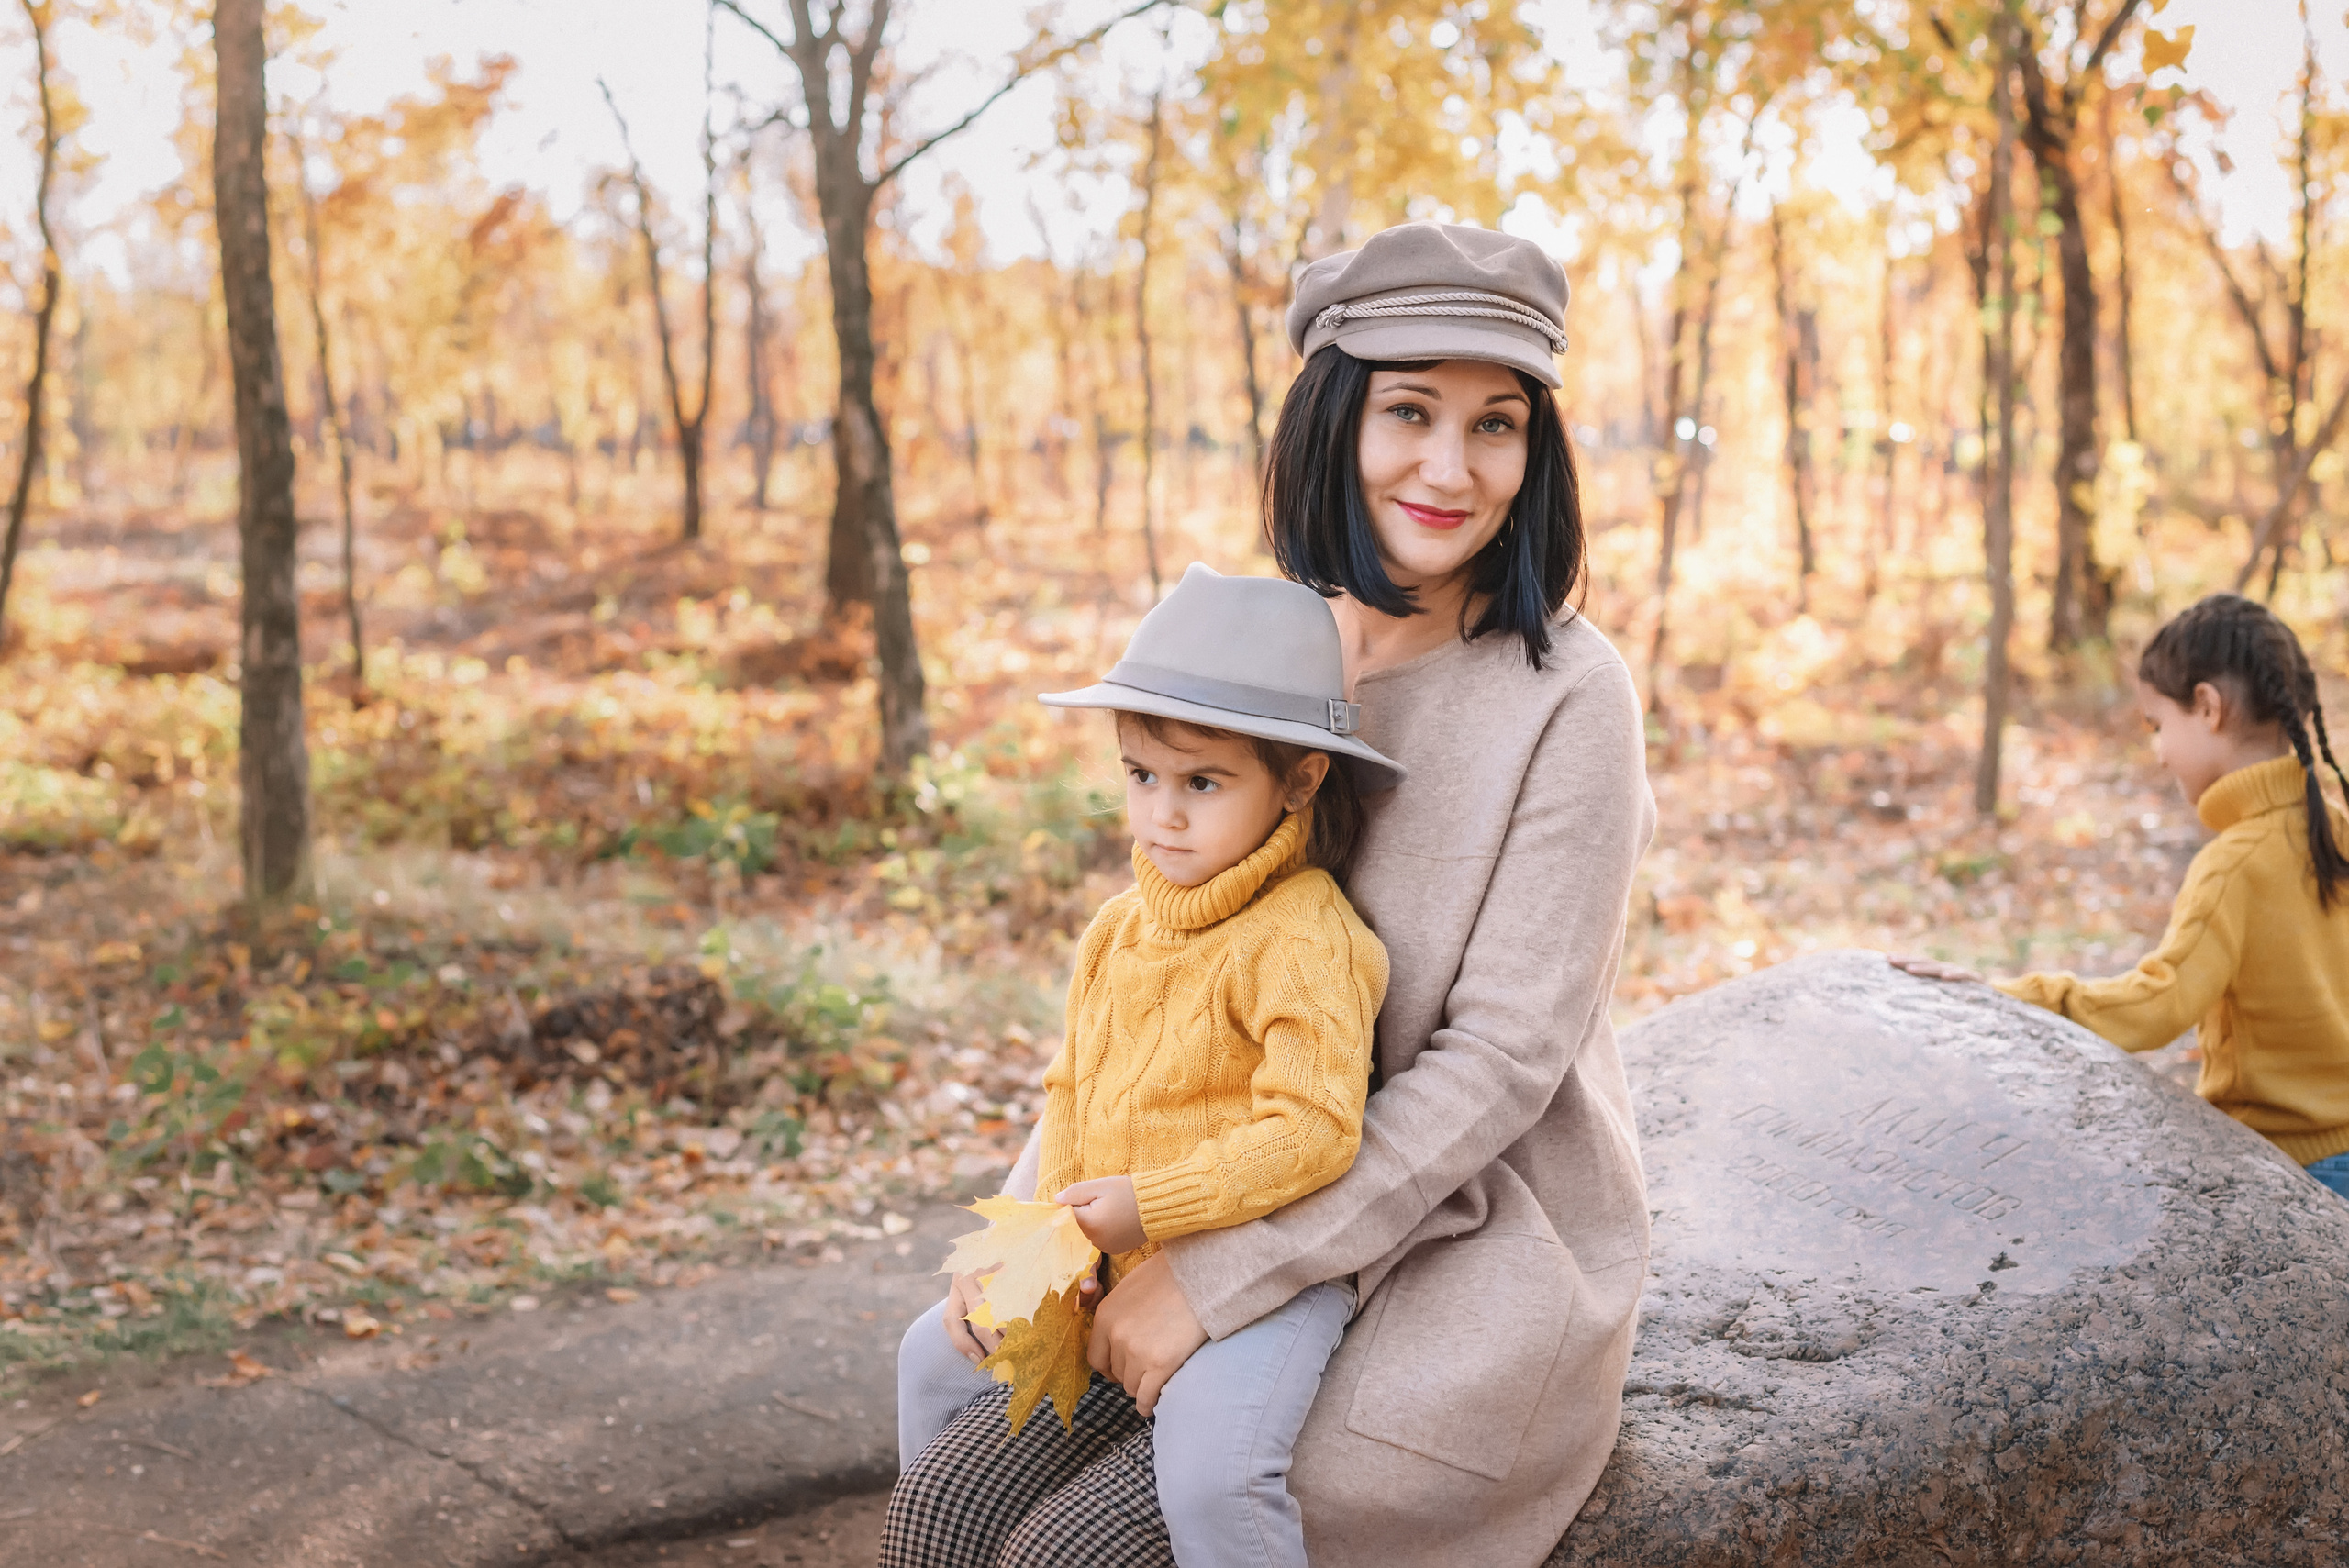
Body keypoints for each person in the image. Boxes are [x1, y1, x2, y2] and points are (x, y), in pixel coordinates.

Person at [885, 220, 1656, 1568]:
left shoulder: (1568, 697)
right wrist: (1033, 1227)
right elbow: (1148, 981)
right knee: (944, 1505)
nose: (1449, 467)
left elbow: (1499, 1062)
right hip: (1199, 1192)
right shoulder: (1270, 647)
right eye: (1409, 412)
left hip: (1450, 1236)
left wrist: (1224, 1275)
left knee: (1075, 1555)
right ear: (1334, 419)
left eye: (1496, 426)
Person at [893, 562, 1402, 1568]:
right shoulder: (1116, 930)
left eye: (1203, 783)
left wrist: (1149, 1206)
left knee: (1215, 1468)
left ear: (1298, 779)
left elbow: (1312, 1128)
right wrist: (1045, 1241)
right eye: (1141, 776)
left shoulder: (1301, 937)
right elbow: (1072, 1094)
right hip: (1115, 1253)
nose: (1162, 814)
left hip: (1260, 1270)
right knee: (931, 1354)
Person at [1896, 592, 2349, 1195]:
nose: (2159, 753)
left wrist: (2016, 997)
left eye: (2159, 726)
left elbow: (2155, 1006)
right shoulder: (2336, 824)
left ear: (2208, 707)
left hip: (2291, 1170)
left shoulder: (2232, 866)